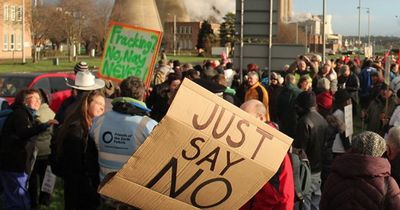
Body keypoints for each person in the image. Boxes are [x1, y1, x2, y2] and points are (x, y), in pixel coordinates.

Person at [90, 76, 158, 209]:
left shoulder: (98, 121)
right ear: (143, 96)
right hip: (133, 199)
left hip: (106, 195)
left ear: (120, 92)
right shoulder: (149, 126)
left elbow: (91, 156)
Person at [0, 89, 58, 210]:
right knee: (18, 200)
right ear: (24, 100)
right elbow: (23, 132)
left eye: (39, 99)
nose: (38, 101)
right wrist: (44, 126)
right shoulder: (20, 114)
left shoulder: (22, 113)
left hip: (11, 163)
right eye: (34, 98)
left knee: (12, 197)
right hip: (14, 165)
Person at [320, 131, 400, 210]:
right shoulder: (388, 183)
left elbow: (323, 205)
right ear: (381, 151)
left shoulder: (334, 176)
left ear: (353, 148)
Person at [239, 100, 294, 210]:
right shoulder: (250, 140)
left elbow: (278, 194)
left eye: (244, 115)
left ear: (260, 118)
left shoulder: (272, 146)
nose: (240, 120)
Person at [57, 90, 105, 210]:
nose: (102, 108)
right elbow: (75, 166)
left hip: (83, 187)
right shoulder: (76, 129)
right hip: (79, 190)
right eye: (99, 103)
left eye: (104, 105)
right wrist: (90, 190)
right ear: (87, 103)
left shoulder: (90, 126)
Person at [293, 91, 329, 210]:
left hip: (305, 171)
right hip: (318, 169)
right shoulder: (322, 120)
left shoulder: (304, 122)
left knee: (305, 203)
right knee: (315, 202)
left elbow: (299, 150)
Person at [28, 89, 55, 208]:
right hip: (47, 151)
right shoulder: (52, 113)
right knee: (47, 178)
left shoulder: (33, 114)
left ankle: (32, 201)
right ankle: (45, 200)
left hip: (35, 152)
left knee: (33, 179)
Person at [277, 74, 301, 138]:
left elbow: (278, 107)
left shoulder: (280, 91)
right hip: (296, 121)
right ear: (294, 81)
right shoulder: (300, 92)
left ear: (285, 81)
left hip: (283, 121)